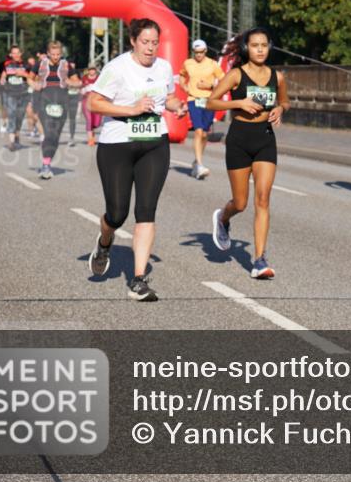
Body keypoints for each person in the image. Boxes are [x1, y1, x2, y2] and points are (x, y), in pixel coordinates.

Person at [86, 18, 187, 301]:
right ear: (133, 41)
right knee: (117, 214)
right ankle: (105, 241)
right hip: (117, 143)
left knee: (146, 210)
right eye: (145, 42)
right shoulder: (117, 68)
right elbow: (94, 102)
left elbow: (166, 97)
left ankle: (138, 279)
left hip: (154, 143)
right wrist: (130, 109)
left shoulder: (164, 67)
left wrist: (176, 105)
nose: (151, 48)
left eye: (155, 42)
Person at [206, 28, 289, 279]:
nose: (260, 49)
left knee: (262, 199)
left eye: (264, 45)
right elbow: (211, 101)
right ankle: (223, 217)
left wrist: (280, 109)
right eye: (255, 45)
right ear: (246, 49)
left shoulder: (278, 76)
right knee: (240, 203)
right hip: (239, 138)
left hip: (265, 138)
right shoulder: (235, 75)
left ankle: (259, 259)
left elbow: (285, 101)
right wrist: (238, 103)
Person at [33, 41, 81, 179]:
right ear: (48, 53)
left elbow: (77, 82)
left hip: (61, 103)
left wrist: (70, 82)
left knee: (56, 136)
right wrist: (35, 84)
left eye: (58, 54)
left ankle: (47, 162)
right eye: (53, 54)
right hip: (45, 101)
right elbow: (29, 78)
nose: (55, 57)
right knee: (49, 133)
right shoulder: (40, 64)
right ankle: (46, 165)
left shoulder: (66, 65)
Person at [179, 38, 225, 179]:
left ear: (205, 51)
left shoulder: (213, 64)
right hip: (193, 100)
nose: (198, 55)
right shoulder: (188, 63)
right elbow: (181, 76)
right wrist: (185, 87)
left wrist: (211, 87)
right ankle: (199, 165)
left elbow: (224, 81)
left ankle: (196, 161)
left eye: (201, 52)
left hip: (208, 101)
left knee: (205, 134)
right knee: (198, 131)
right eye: (196, 52)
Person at [0, 45, 32, 151]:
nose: (16, 55)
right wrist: (3, 79)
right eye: (13, 53)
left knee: (19, 116)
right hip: (10, 93)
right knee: (12, 114)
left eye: (18, 52)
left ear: (21, 53)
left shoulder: (27, 65)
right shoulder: (6, 64)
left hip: (23, 93)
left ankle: (17, 136)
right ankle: (12, 142)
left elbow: (33, 77)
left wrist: (24, 74)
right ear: (10, 54)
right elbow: (3, 75)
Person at [80, 66, 103, 146]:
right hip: (86, 100)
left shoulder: (100, 78)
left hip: (96, 101)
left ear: (95, 70)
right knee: (89, 120)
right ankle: (90, 139)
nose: (92, 71)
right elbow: (81, 87)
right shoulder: (84, 78)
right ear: (88, 70)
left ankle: (92, 130)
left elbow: (104, 88)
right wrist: (84, 89)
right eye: (90, 69)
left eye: (93, 69)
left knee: (97, 122)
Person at [64, 59, 82, 146]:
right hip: (63, 97)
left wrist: (72, 83)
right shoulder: (61, 73)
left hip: (74, 96)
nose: (71, 66)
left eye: (72, 64)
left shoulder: (76, 73)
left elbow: (80, 83)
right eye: (69, 64)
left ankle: (71, 137)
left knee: (72, 118)